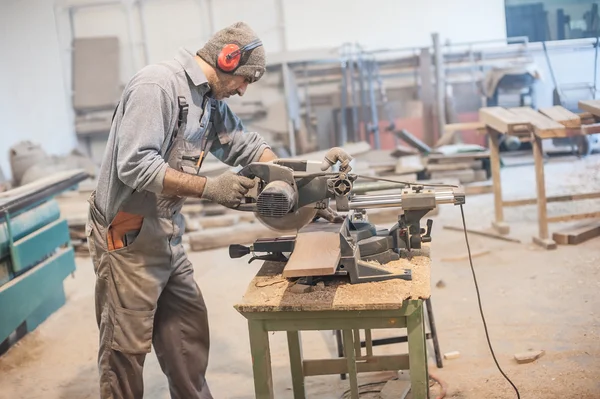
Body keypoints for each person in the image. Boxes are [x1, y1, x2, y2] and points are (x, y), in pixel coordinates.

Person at [87, 21, 350, 399]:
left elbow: (246, 145)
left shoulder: (209, 101)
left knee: (186, 332)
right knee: (126, 347)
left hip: (165, 229)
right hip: (125, 231)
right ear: (227, 59)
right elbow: (135, 165)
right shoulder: (157, 86)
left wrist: (301, 184)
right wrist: (211, 187)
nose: (243, 90)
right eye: (245, 80)